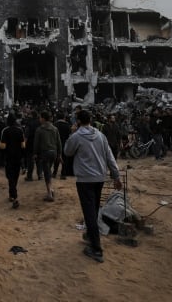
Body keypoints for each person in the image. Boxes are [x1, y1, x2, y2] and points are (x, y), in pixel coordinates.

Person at [64, 109, 122, 263]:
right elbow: (110, 157)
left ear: (77, 121)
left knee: (89, 212)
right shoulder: (101, 136)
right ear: (91, 120)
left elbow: (67, 152)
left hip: (84, 179)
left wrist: (72, 134)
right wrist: (116, 176)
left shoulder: (76, 136)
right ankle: (91, 235)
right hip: (99, 178)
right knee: (94, 209)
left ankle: (96, 249)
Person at [34, 110, 62, 202]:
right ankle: (51, 189)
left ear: (43, 118)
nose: (39, 119)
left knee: (46, 173)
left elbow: (36, 144)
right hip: (53, 153)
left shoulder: (39, 130)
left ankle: (49, 193)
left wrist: (35, 153)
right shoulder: (55, 129)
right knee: (48, 171)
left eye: (40, 117)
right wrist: (59, 154)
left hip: (45, 153)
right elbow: (59, 143)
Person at [0, 113, 25, 209]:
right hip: (18, 157)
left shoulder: (5, 131)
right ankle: (12, 193)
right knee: (15, 175)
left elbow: (2, 146)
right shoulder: (20, 130)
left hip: (8, 157)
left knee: (9, 176)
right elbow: (23, 146)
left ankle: (13, 195)